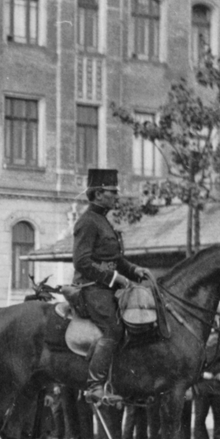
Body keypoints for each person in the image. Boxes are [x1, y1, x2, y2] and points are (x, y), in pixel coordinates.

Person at [72, 168, 152, 403]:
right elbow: (82, 261)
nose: (116, 196)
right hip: (91, 288)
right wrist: (113, 278)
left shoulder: (104, 222)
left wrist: (134, 270)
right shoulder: (87, 222)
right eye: (112, 192)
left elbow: (115, 260)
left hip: (108, 288)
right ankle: (95, 385)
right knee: (113, 329)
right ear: (98, 194)